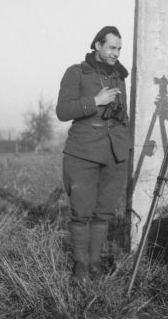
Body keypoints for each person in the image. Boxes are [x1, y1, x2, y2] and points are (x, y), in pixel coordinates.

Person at [56, 26, 132, 283]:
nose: (116, 53)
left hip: (115, 153)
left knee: (104, 213)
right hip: (83, 152)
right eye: (112, 47)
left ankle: (95, 263)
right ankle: (80, 265)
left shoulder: (120, 76)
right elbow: (63, 111)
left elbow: (124, 115)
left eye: (119, 49)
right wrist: (95, 102)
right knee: (82, 212)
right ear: (97, 45)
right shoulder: (76, 73)